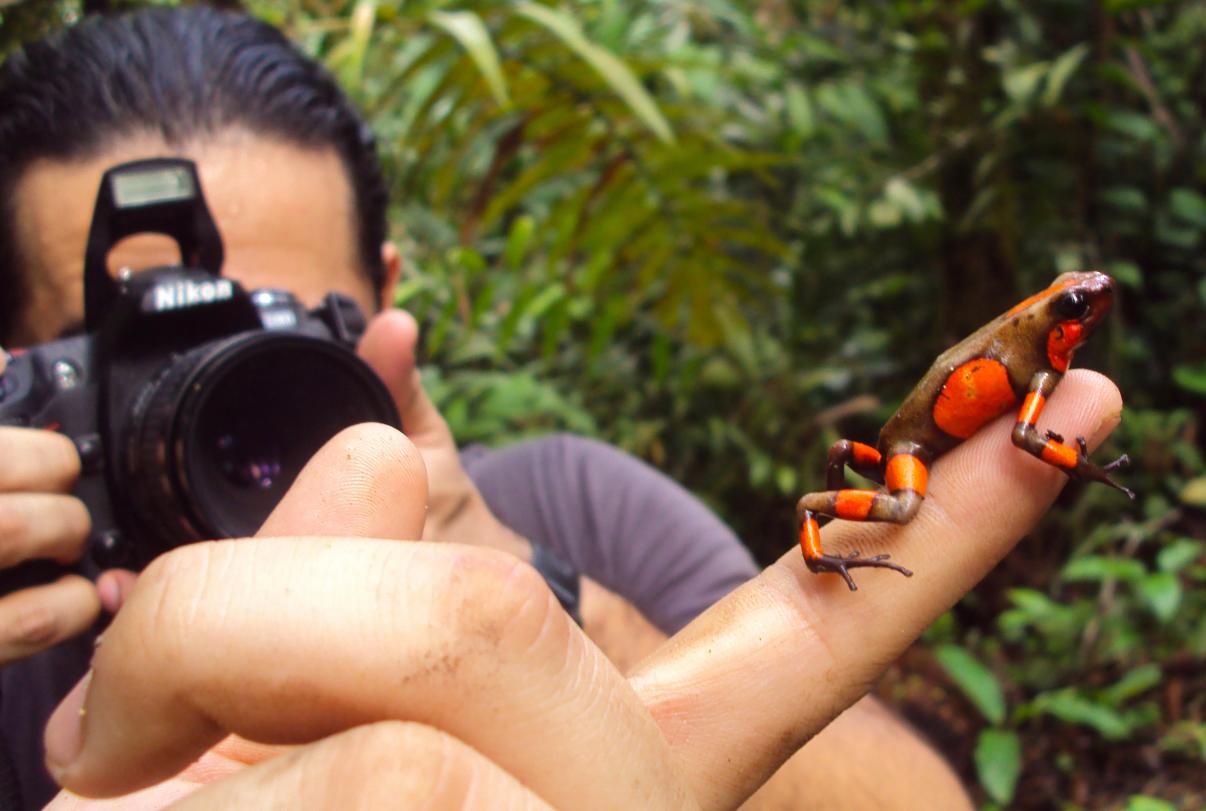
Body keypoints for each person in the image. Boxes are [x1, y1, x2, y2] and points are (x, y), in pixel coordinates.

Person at [0, 7, 1016, 809]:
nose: (213, 410)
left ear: (386, 298)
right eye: (139, 365)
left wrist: (549, 602)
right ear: (25, 371)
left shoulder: (573, 503)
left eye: (276, 339)